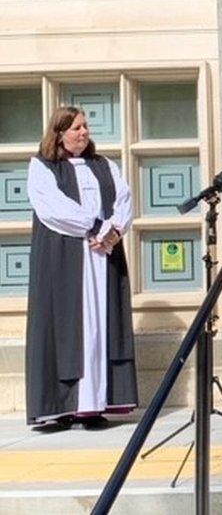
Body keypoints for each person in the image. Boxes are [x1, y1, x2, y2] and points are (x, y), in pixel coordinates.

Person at [25, 106, 137, 430]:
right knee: (65, 327)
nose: (84, 133)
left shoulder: (104, 166)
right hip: (65, 258)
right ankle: (60, 408)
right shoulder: (42, 167)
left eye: (86, 126)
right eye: (76, 128)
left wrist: (113, 232)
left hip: (104, 256)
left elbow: (124, 199)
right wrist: (96, 227)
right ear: (59, 134)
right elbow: (52, 208)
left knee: (100, 327)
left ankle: (94, 406)